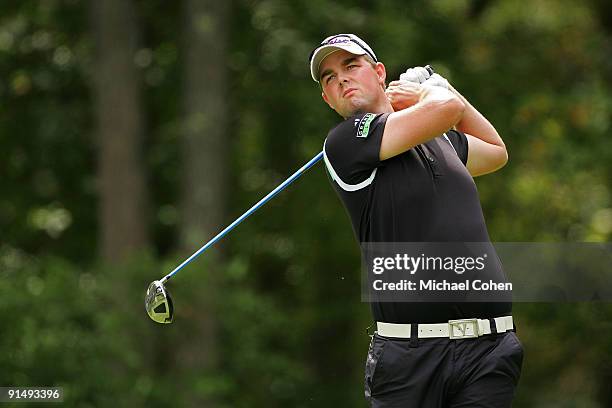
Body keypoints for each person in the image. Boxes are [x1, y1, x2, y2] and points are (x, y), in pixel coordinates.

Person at [309, 34, 523, 407]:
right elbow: (444, 108)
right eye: (329, 78)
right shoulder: (345, 142)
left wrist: (441, 89)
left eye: (351, 66)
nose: (341, 79)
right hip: (410, 360)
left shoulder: (438, 139)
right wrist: (432, 92)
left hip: (488, 352)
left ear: (379, 73)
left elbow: (495, 151)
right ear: (328, 99)